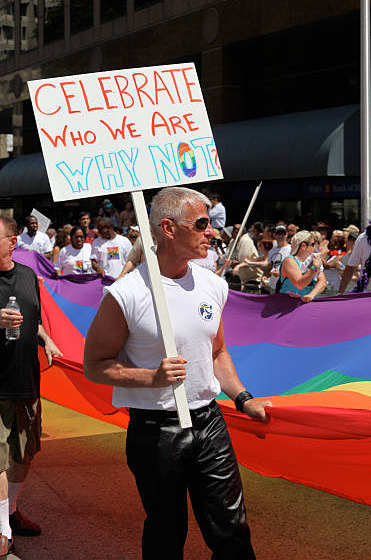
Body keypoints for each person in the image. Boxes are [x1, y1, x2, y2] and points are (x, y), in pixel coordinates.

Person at [83, 186, 271, 559]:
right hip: (155, 431)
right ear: (168, 228)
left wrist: (243, 398)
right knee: (167, 534)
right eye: (201, 223)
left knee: (232, 531)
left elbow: (217, 352)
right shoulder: (127, 293)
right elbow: (94, 365)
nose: (212, 231)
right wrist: (150, 378)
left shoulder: (214, 285)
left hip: (210, 422)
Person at [0, 216, 62, 555]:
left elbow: (34, 319)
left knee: (23, 455)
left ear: (12, 243)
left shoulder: (27, 276)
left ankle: (9, 514)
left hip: (26, 382)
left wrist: (46, 340)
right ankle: (1, 531)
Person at [278, 230, 326, 302]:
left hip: (305, 305)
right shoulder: (289, 261)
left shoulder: (311, 261)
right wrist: (314, 268)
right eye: (312, 244)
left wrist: (311, 295)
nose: (315, 247)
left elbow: (322, 281)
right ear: (303, 246)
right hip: (287, 305)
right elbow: (299, 284)